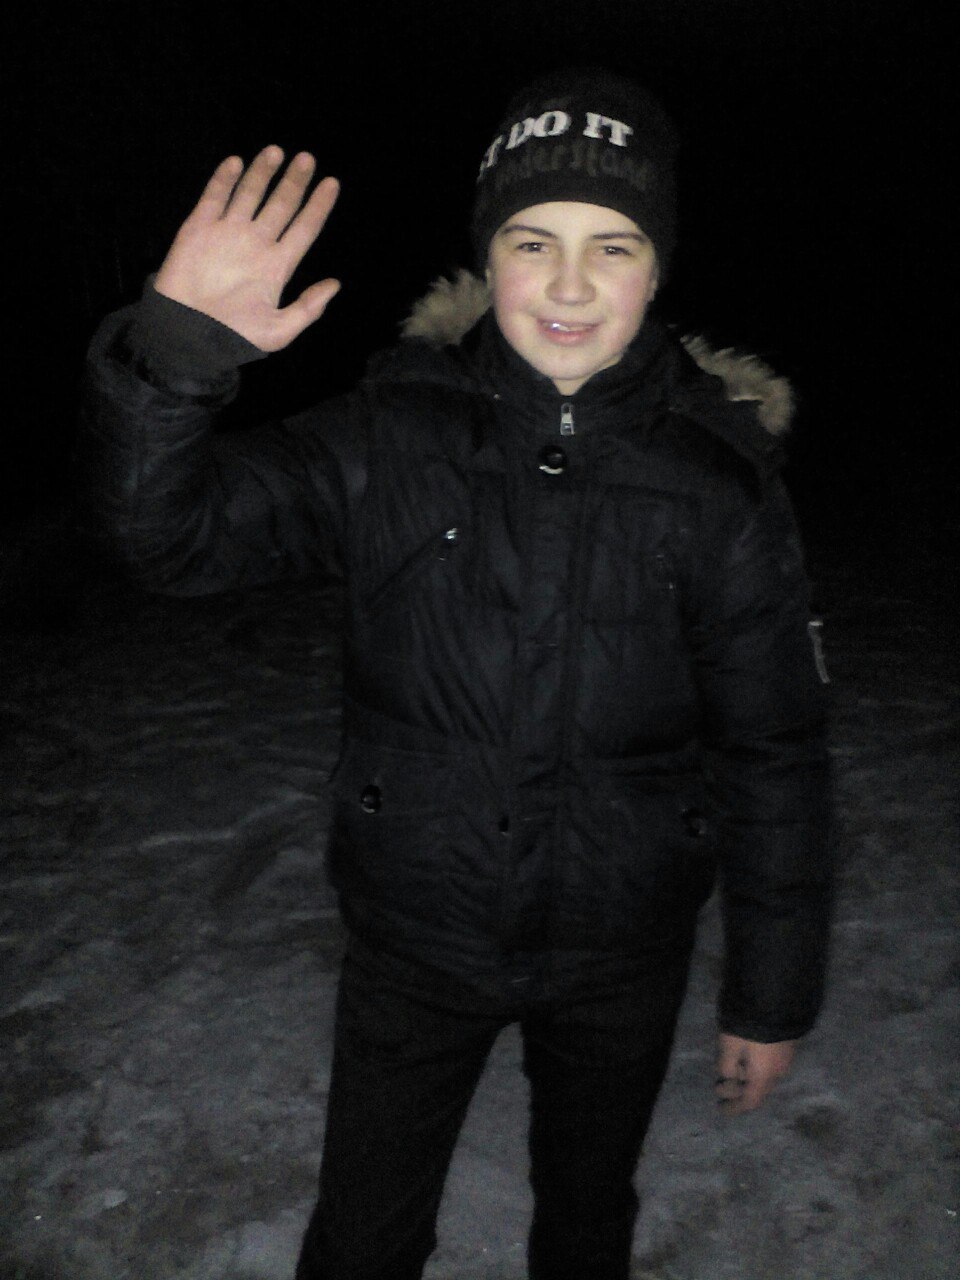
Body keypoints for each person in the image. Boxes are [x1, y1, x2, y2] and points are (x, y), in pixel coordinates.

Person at [82, 68, 832, 1280]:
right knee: (363, 1236)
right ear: (489, 257)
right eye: (534, 242)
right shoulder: (391, 430)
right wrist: (172, 359)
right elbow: (171, 540)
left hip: (622, 952)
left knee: (586, 1219)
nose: (571, 285)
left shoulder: (720, 482)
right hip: (414, 943)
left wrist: (771, 991)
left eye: (614, 245)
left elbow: (776, 751)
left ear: (658, 270)